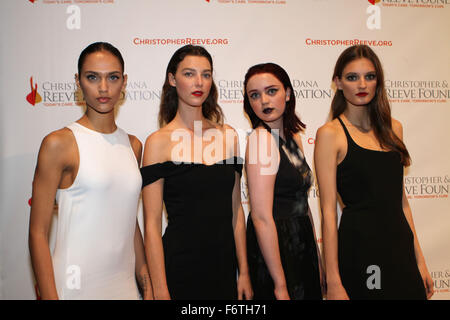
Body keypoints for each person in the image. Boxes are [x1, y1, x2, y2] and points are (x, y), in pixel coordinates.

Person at [29, 42, 152, 300]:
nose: (103, 88)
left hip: (126, 287)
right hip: (74, 289)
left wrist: (146, 284)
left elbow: (130, 224)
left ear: (124, 82)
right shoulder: (59, 143)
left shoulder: (133, 145)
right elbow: (38, 233)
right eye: (92, 77)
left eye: (113, 77)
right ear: (78, 81)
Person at [314, 45, 434, 300]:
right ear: (337, 82)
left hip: (399, 248)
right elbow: (327, 212)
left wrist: (419, 261)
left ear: (378, 81)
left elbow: (401, 203)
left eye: (369, 76)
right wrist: (333, 280)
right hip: (361, 251)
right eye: (352, 77)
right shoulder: (330, 134)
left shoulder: (394, 129)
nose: (362, 84)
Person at [141, 45, 253, 300]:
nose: (199, 82)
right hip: (178, 268)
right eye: (189, 74)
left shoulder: (229, 136)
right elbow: (151, 223)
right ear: (172, 79)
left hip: (224, 267)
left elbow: (236, 209)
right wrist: (160, 289)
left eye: (206, 74)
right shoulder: (158, 142)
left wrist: (244, 272)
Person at [243, 63, 323, 300]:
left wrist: (317, 260)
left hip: (302, 241)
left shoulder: (293, 138)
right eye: (255, 95)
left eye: (271, 91)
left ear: (287, 93)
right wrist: (280, 284)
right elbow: (261, 217)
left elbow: (303, 203)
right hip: (276, 250)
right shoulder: (260, 140)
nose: (264, 101)